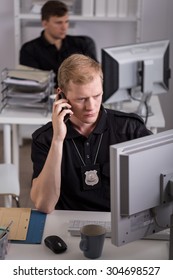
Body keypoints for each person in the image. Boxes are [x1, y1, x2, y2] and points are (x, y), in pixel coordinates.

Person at [30, 54, 152, 214]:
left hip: (117, 220)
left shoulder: (130, 128)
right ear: (62, 96)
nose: (91, 106)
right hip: (66, 222)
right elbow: (44, 205)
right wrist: (58, 140)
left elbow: (155, 186)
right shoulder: (45, 138)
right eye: (81, 99)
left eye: (97, 96)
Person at [19, 0, 97, 86]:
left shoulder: (83, 44)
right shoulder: (29, 50)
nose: (64, 27)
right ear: (45, 24)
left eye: (66, 22)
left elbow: (94, 78)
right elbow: (33, 87)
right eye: (58, 22)